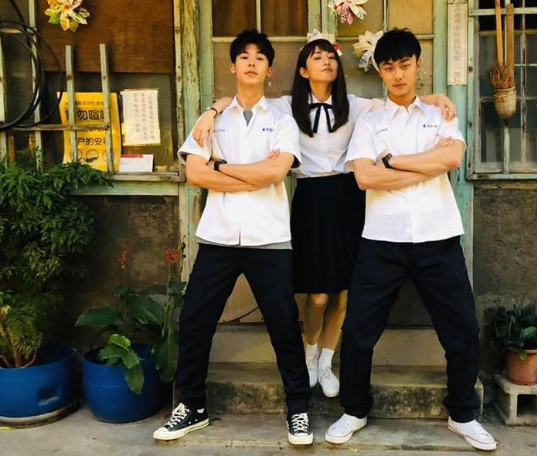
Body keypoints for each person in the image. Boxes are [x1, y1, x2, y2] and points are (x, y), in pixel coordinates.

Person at [192, 33, 456, 399]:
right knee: (316, 294)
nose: (327, 61)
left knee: (343, 289)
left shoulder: (357, 106)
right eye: (317, 57)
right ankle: (310, 352)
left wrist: (436, 99)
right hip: (310, 198)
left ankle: (327, 361)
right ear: (303, 70)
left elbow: (399, 99)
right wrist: (211, 111)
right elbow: (242, 97)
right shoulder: (285, 107)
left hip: (348, 197)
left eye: (331, 57)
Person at [323, 29, 497, 452]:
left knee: (461, 329)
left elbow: (452, 158)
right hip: (382, 240)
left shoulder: (440, 114)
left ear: (418, 65)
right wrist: (423, 167)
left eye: (405, 65)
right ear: (380, 72)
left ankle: (462, 414)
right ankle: (354, 410)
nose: (398, 74)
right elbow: (365, 177)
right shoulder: (370, 121)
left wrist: (393, 162)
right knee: (359, 331)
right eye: (389, 67)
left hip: (438, 236)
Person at [152, 29, 313, 446]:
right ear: (233, 66)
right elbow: (195, 173)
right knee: (195, 320)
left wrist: (221, 168)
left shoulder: (282, 121)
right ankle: (192, 406)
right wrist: (247, 173)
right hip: (218, 237)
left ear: (270, 70)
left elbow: (275, 172)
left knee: (283, 326)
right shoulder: (213, 119)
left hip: (269, 239)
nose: (251, 62)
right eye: (244, 56)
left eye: (260, 57)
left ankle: (298, 408)